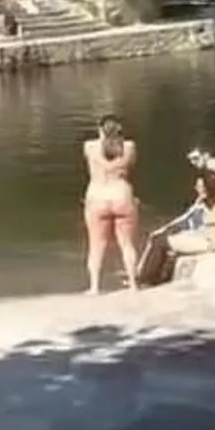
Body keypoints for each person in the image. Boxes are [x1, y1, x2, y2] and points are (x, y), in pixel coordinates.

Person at [83, 114, 140, 295]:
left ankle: (95, 287)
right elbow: (131, 165)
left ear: (100, 131)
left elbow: (97, 152)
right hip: (122, 195)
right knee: (127, 243)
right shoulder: (129, 148)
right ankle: (133, 284)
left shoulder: (90, 147)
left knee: (96, 244)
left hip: (97, 198)